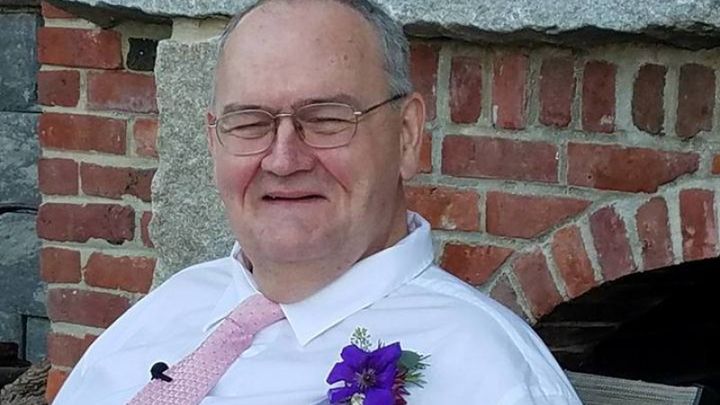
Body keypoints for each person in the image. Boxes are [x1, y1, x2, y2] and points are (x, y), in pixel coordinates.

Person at [53, 0, 582, 404]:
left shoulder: (491, 376)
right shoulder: (164, 311)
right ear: (214, 140)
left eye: (327, 119)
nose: (283, 159)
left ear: (406, 136)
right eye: (250, 123)